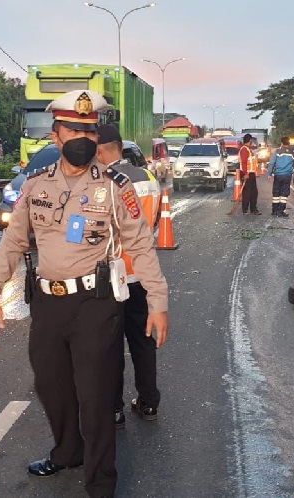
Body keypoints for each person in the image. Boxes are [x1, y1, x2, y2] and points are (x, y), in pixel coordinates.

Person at [0, 90, 168, 498]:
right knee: (52, 386)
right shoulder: (35, 185)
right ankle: (68, 452)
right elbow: (13, 241)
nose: (83, 137)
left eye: (90, 130)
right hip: (48, 303)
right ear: (56, 135)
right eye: (74, 130)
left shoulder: (116, 187)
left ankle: (101, 482)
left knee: (96, 396)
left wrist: (157, 302)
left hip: (95, 305)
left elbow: (140, 246)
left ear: (97, 135)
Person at [94, 124, 164, 427]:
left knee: (110, 347)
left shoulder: (104, 182)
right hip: (141, 274)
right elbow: (155, 221)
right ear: (121, 148)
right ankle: (148, 402)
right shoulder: (148, 178)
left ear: (99, 151)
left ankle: (114, 409)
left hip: (111, 277)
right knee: (143, 341)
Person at [267, 137, 294, 217]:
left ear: (281, 143)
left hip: (278, 175)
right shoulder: (293, 154)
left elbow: (271, 163)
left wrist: (269, 173)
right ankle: (281, 211)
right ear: (289, 143)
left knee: (276, 192)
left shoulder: (277, 152)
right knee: (284, 194)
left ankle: (274, 211)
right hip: (287, 175)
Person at [239, 133, 261, 215]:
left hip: (251, 173)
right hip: (247, 173)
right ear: (250, 140)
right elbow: (244, 162)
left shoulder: (248, 149)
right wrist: (245, 174)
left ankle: (252, 209)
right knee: (247, 193)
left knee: (253, 192)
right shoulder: (244, 149)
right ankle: (246, 210)